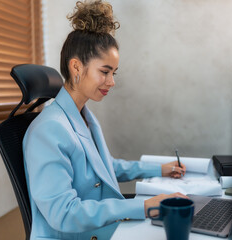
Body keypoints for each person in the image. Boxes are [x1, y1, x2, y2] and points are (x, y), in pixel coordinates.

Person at [23, 1, 187, 239]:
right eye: (105, 71)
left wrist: (160, 169)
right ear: (76, 67)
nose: (112, 82)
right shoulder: (48, 130)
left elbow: (106, 168)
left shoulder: (84, 116)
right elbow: (64, 214)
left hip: (98, 228)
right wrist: (144, 206)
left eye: (113, 73)